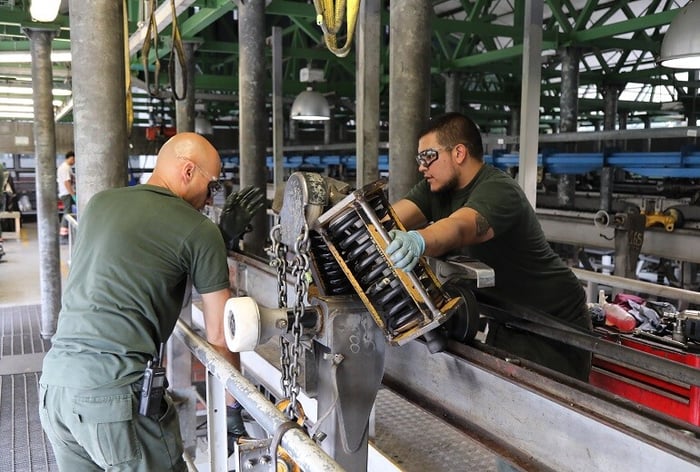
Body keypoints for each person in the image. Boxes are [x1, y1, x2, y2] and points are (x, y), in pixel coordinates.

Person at [39, 132, 264, 471]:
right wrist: (234, 409)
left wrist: (216, 240)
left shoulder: (100, 204)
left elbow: (139, 257)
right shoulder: (199, 230)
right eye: (213, 184)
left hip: (56, 389)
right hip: (115, 401)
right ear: (188, 171)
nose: (211, 196)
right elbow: (220, 336)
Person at [385, 112, 592, 382]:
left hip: (551, 321)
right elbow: (388, 219)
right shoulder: (434, 189)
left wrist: (418, 240)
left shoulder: (499, 189)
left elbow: (460, 227)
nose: (422, 166)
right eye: (419, 159)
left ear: (459, 152)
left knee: (551, 407)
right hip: (504, 314)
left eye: (428, 156)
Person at [57, 151, 75, 241]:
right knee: (67, 212)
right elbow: (66, 182)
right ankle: (63, 235)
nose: (74, 162)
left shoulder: (67, 167)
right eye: (74, 160)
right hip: (66, 193)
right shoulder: (65, 168)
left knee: (69, 211)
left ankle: (66, 232)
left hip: (66, 193)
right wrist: (72, 194)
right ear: (72, 158)